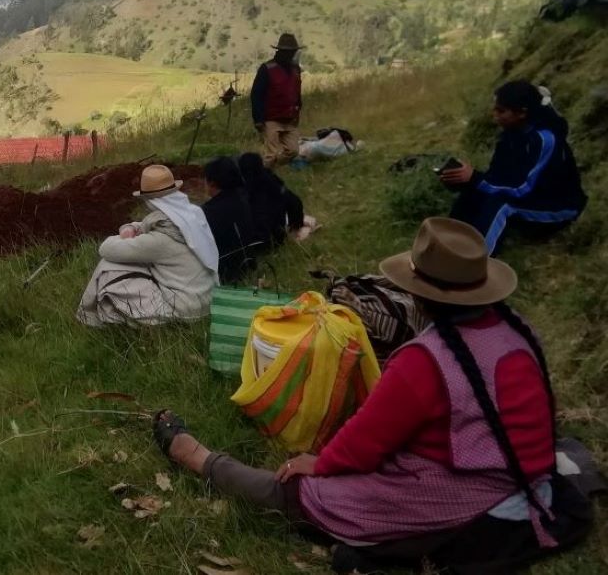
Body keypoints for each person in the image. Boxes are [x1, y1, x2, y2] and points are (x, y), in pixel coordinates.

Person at [151, 218, 595, 573]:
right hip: (525, 471)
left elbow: (366, 442)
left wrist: (319, 464)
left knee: (298, 492)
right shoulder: (517, 328)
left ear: (418, 293)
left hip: (463, 488)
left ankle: (197, 458)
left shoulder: (425, 361)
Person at [441, 80, 587, 254]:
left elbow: (522, 189)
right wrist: (464, 180)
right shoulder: (510, 134)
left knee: (502, 206)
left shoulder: (545, 139)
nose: (494, 114)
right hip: (529, 197)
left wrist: (475, 178)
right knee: (474, 193)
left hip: (559, 207)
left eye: (501, 111)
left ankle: (475, 262)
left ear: (521, 113)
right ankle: (447, 244)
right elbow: (497, 176)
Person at [77, 164, 219, 326]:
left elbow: (106, 248)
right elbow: (149, 223)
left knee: (108, 268)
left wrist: (123, 235)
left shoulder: (159, 240)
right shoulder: (192, 215)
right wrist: (131, 227)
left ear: (150, 201)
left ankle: (93, 317)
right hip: (207, 298)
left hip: (186, 310)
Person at [251, 33, 304, 167]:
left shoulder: (296, 69)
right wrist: (258, 119)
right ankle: (264, 177)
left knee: (293, 151)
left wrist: (297, 111)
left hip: (289, 118)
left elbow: (297, 92)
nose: (290, 54)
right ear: (280, 51)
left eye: (292, 51)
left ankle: (273, 169)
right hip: (271, 118)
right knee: (272, 154)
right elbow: (256, 94)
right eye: (288, 51)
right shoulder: (266, 69)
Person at [201, 157, 257, 284]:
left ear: (212, 182)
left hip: (224, 272)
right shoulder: (243, 199)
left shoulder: (209, 211)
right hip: (247, 264)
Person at [237, 152, 304, 247]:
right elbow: (296, 202)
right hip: (277, 238)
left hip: (254, 242)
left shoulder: (243, 191)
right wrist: (296, 226)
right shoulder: (274, 183)